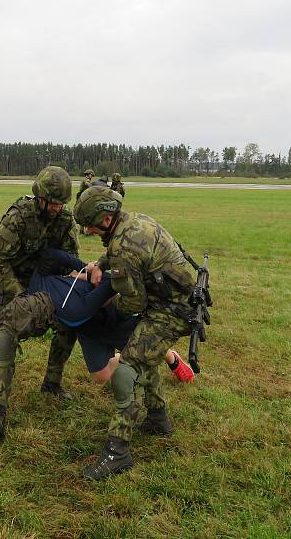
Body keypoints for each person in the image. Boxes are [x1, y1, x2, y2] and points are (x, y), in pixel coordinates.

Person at [0, 248, 193, 439]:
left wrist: (86, 268)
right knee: (100, 376)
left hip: (113, 317)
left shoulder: (45, 286)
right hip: (91, 327)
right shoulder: (67, 309)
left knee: (144, 348)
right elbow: (100, 285)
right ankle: (127, 356)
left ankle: (171, 358)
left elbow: (54, 256)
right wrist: (86, 275)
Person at [73, 186, 198, 480]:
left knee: (127, 369)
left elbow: (133, 303)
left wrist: (99, 302)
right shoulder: (134, 221)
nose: (88, 231)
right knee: (144, 353)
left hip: (171, 310)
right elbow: (125, 255)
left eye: (90, 225)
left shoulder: (123, 249)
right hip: (173, 301)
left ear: (105, 219)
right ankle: (158, 419)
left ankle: (118, 452)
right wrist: (101, 264)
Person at [0, 166, 80, 437]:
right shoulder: (18, 218)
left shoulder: (65, 220)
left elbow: (68, 261)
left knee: (69, 324)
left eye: (61, 204)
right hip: (13, 285)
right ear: (40, 198)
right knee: (9, 332)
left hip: (47, 285)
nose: (56, 209)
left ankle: (52, 383)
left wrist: (63, 292)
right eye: (53, 203)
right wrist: (20, 296)